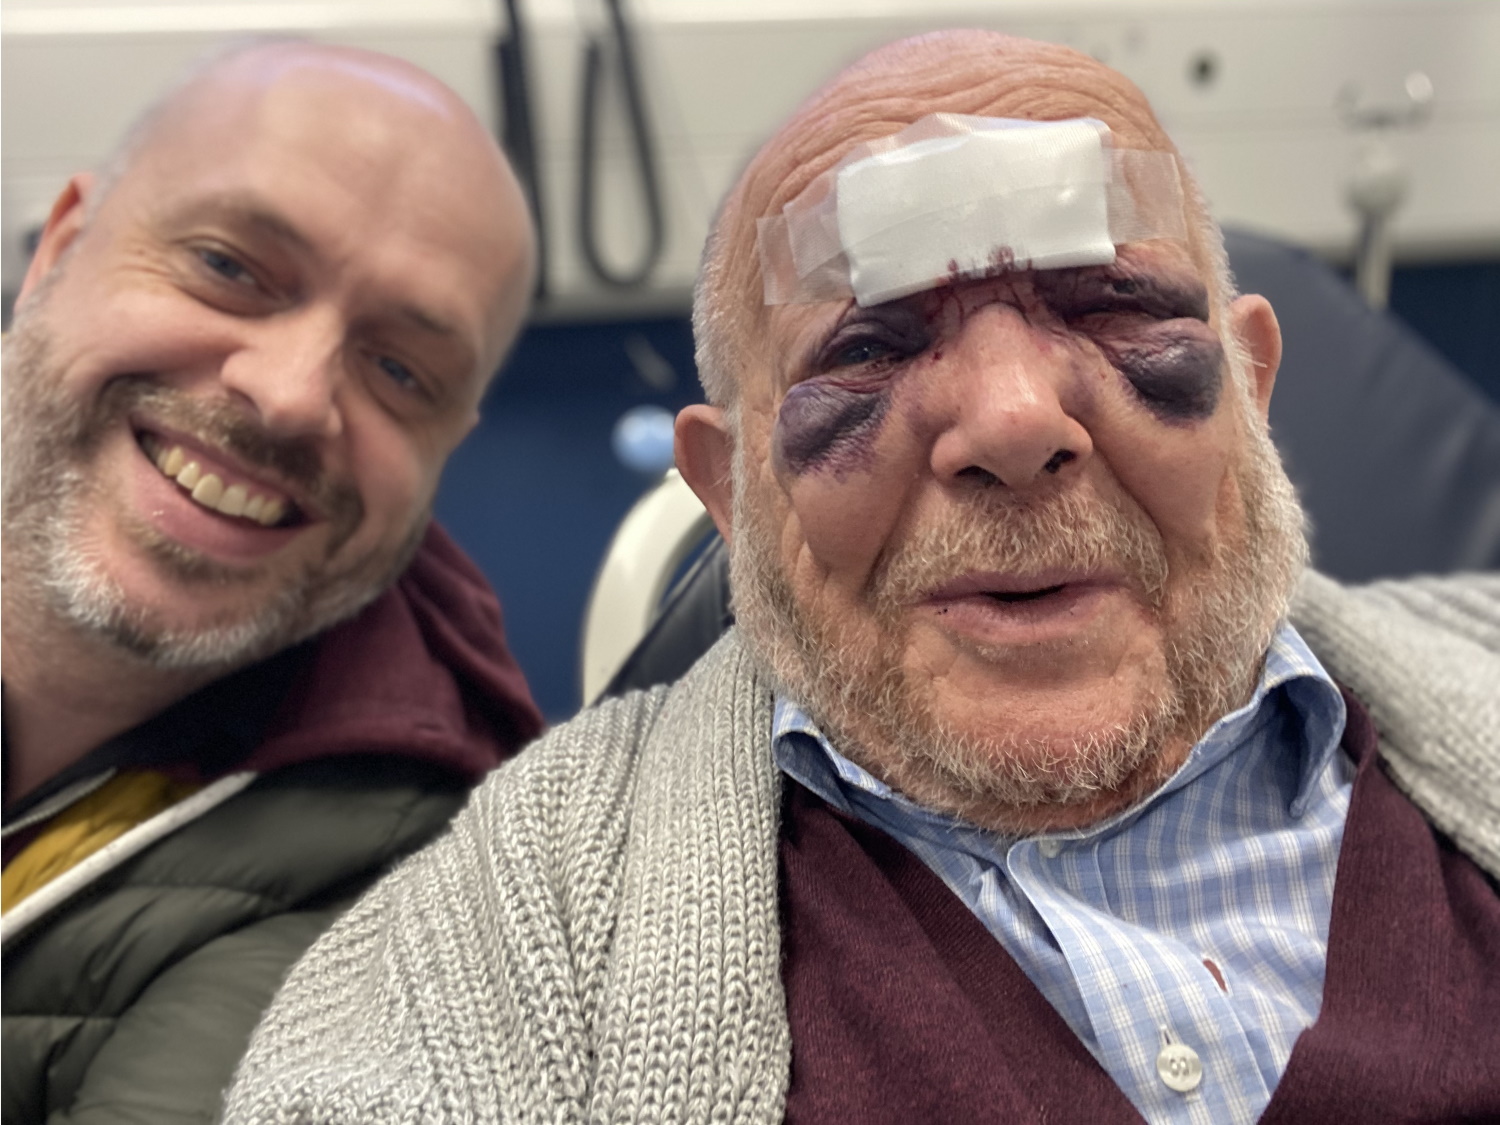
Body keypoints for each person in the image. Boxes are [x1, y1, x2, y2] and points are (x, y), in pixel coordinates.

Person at [223, 30, 1499, 1125]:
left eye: (1112, 307)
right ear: (732, 495)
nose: (1013, 423)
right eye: (869, 349)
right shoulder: (521, 925)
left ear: (1252, 388)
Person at [1, 40, 546, 1124]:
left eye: (399, 370)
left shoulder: (404, 894)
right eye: (229, 267)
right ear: (58, 248)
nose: (291, 394)